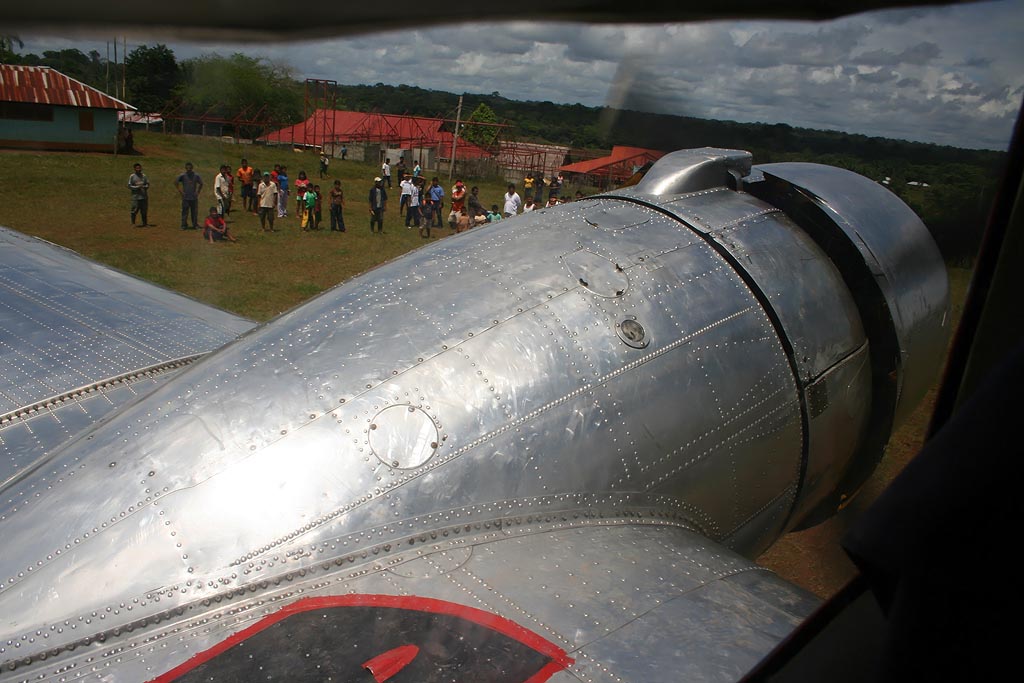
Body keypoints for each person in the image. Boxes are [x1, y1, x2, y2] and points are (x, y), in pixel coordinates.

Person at [175, 162, 203, 230]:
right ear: (186, 168)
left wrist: (198, 192)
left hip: (193, 197)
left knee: (194, 212)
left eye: (190, 168)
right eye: (187, 168)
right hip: (186, 197)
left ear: (192, 168)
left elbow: (201, 183)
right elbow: (176, 182)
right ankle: (184, 225)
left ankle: (195, 224)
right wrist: (181, 191)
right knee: (185, 211)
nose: (189, 170)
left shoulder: (196, 176)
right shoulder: (183, 175)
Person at [127, 162, 150, 227]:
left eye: (140, 168)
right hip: (135, 197)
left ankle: (145, 223)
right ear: (134, 169)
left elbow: (147, 184)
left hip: (144, 196)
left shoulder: (144, 176)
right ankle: (133, 223)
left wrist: (145, 187)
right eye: (137, 168)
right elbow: (129, 186)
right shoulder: (132, 176)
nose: (139, 169)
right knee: (134, 210)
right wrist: (137, 187)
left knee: (144, 210)